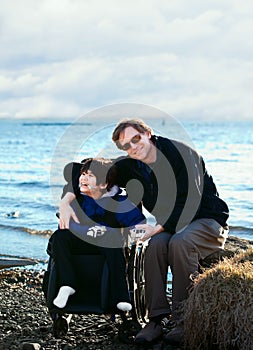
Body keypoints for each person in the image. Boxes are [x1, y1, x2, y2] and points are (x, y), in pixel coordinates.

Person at [59, 119, 229, 346]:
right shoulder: (131, 166)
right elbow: (78, 169)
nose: (132, 147)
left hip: (207, 220)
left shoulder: (181, 154)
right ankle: (155, 320)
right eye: (125, 146)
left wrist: (156, 228)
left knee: (178, 243)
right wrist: (66, 201)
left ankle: (182, 321)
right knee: (156, 246)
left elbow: (190, 201)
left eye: (136, 139)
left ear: (148, 133)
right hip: (172, 225)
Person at [51, 157, 145, 312]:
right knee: (59, 237)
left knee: (114, 238)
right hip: (80, 243)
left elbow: (139, 224)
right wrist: (88, 231)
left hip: (106, 246)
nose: (83, 178)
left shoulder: (118, 202)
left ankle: (120, 296)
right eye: (83, 174)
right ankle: (67, 284)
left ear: (104, 184)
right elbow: (69, 224)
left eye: (90, 175)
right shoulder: (78, 200)